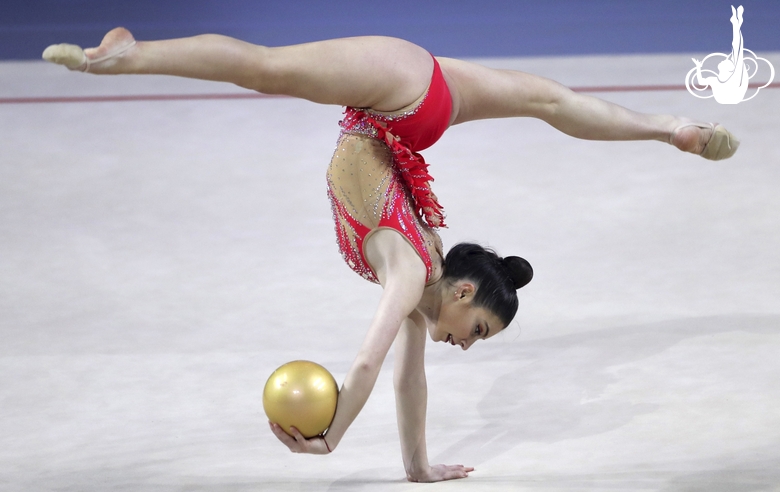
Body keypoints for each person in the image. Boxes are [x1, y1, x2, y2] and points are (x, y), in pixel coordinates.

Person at [42, 28, 739, 482]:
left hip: (413, 101)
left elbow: (409, 382)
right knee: (266, 69)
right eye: (481, 333)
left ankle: (671, 127)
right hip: (396, 98)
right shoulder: (412, 273)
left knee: (545, 98)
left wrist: (418, 469)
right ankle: (132, 56)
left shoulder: (426, 283)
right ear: (464, 295)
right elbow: (368, 364)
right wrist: (334, 438)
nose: (470, 346)